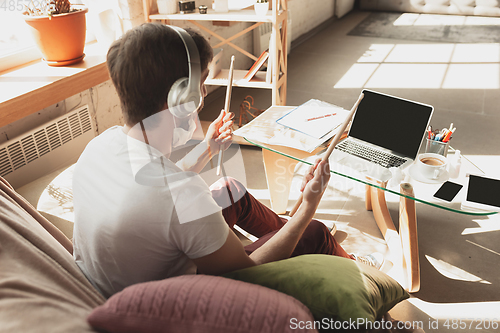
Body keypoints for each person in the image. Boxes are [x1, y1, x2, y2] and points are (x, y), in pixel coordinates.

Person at [72, 23, 382, 298]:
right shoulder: (180, 193)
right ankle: (361, 277)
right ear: (182, 100)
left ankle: (287, 236)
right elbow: (249, 273)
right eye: (201, 83)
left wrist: (207, 148)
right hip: (176, 300)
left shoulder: (100, 146)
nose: (204, 92)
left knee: (230, 189)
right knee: (314, 230)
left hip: (123, 277)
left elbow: (158, 192)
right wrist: (307, 208)